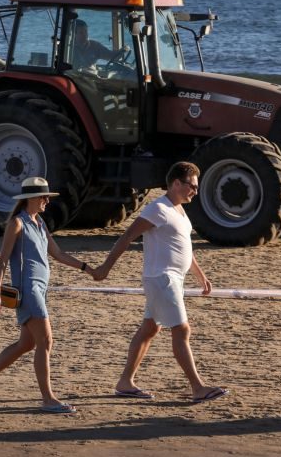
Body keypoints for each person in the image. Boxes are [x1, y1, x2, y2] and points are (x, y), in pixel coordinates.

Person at [91, 162, 228, 403]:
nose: (195, 191)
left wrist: (200, 275)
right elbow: (127, 237)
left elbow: (183, 246)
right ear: (176, 183)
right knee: (182, 329)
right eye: (192, 186)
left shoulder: (179, 211)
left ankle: (125, 382)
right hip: (162, 278)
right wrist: (105, 268)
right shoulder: (158, 209)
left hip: (172, 278)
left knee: (150, 329)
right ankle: (198, 387)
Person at [0, 176, 96, 414]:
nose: (47, 201)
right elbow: (2, 261)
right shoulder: (17, 223)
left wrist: (86, 268)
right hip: (28, 290)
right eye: (44, 197)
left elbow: (57, 253)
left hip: (41, 290)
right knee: (45, 341)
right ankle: (48, 398)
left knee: (26, 343)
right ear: (32, 198)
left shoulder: (39, 222)